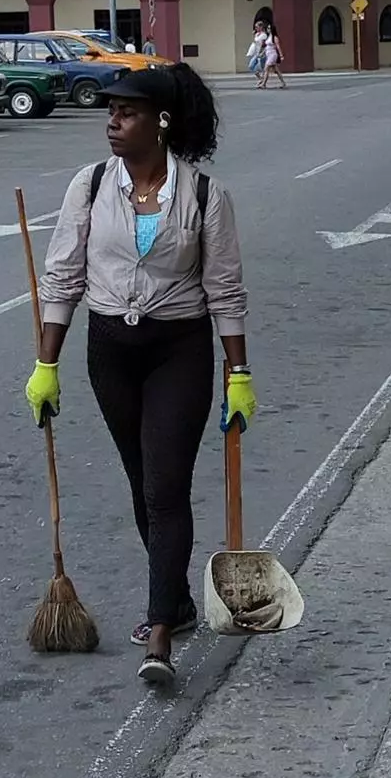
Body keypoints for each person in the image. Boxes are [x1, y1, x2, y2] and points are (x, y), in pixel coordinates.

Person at [24, 64, 257, 685]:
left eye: (126, 112)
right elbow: (62, 274)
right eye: (110, 112)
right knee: (141, 484)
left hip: (178, 348)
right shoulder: (91, 184)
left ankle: (159, 633)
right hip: (110, 351)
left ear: (161, 121)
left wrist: (240, 373)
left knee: (164, 486)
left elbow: (225, 291)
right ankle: (176, 600)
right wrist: (47, 364)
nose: (112, 122)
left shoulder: (206, 196)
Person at [257, 23, 286, 89]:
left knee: (266, 68)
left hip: (273, 55)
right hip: (268, 54)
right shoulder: (268, 37)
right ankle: (283, 82)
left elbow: (278, 47)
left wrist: (281, 55)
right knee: (276, 70)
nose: (268, 29)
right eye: (267, 28)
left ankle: (263, 84)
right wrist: (262, 53)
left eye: (269, 28)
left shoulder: (275, 37)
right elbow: (266, 47)